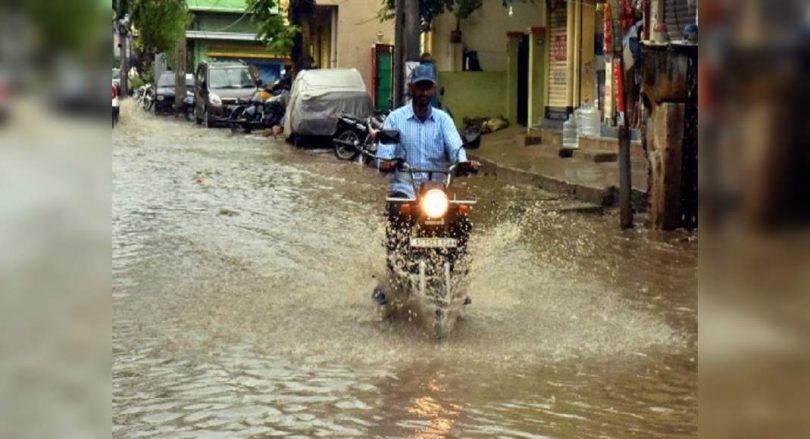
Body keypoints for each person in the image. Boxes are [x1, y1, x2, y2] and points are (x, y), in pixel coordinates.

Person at [372, 63, 480, 305]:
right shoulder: (395, 119)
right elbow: (383, 156)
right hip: (406, 190)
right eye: (419, 87)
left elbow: (456, 148)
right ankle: (392, 279)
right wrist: (388, 162)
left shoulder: (443, 120)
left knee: (462, 222)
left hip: (437, 193)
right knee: (395, 219)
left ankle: (457, 279)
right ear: (411, 88)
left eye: (428, 87)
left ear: (433, 89)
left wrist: (463, 163)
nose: (423, 92)